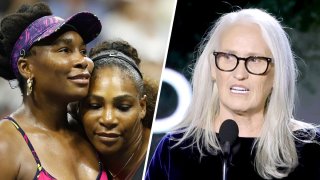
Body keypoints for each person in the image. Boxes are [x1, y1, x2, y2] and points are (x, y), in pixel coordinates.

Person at [146, 8, 320, 180]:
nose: (239, 74)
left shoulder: (311, 149)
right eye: (228, 57)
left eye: (255, 60)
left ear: (278, 74)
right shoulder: (175, 148)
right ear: (213, 68)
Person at [0, 2, 108, 179]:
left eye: (83, 51)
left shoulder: (92, 131)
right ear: (26, 67)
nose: (84, 61)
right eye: (65, 50)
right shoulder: (5, 143)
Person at [79, 40, 158, 180]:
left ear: (142, 107)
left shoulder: (165, 157)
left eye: (123, 107)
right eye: (95, 106)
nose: (108, 119)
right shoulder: (71, 149)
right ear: (79, 108)